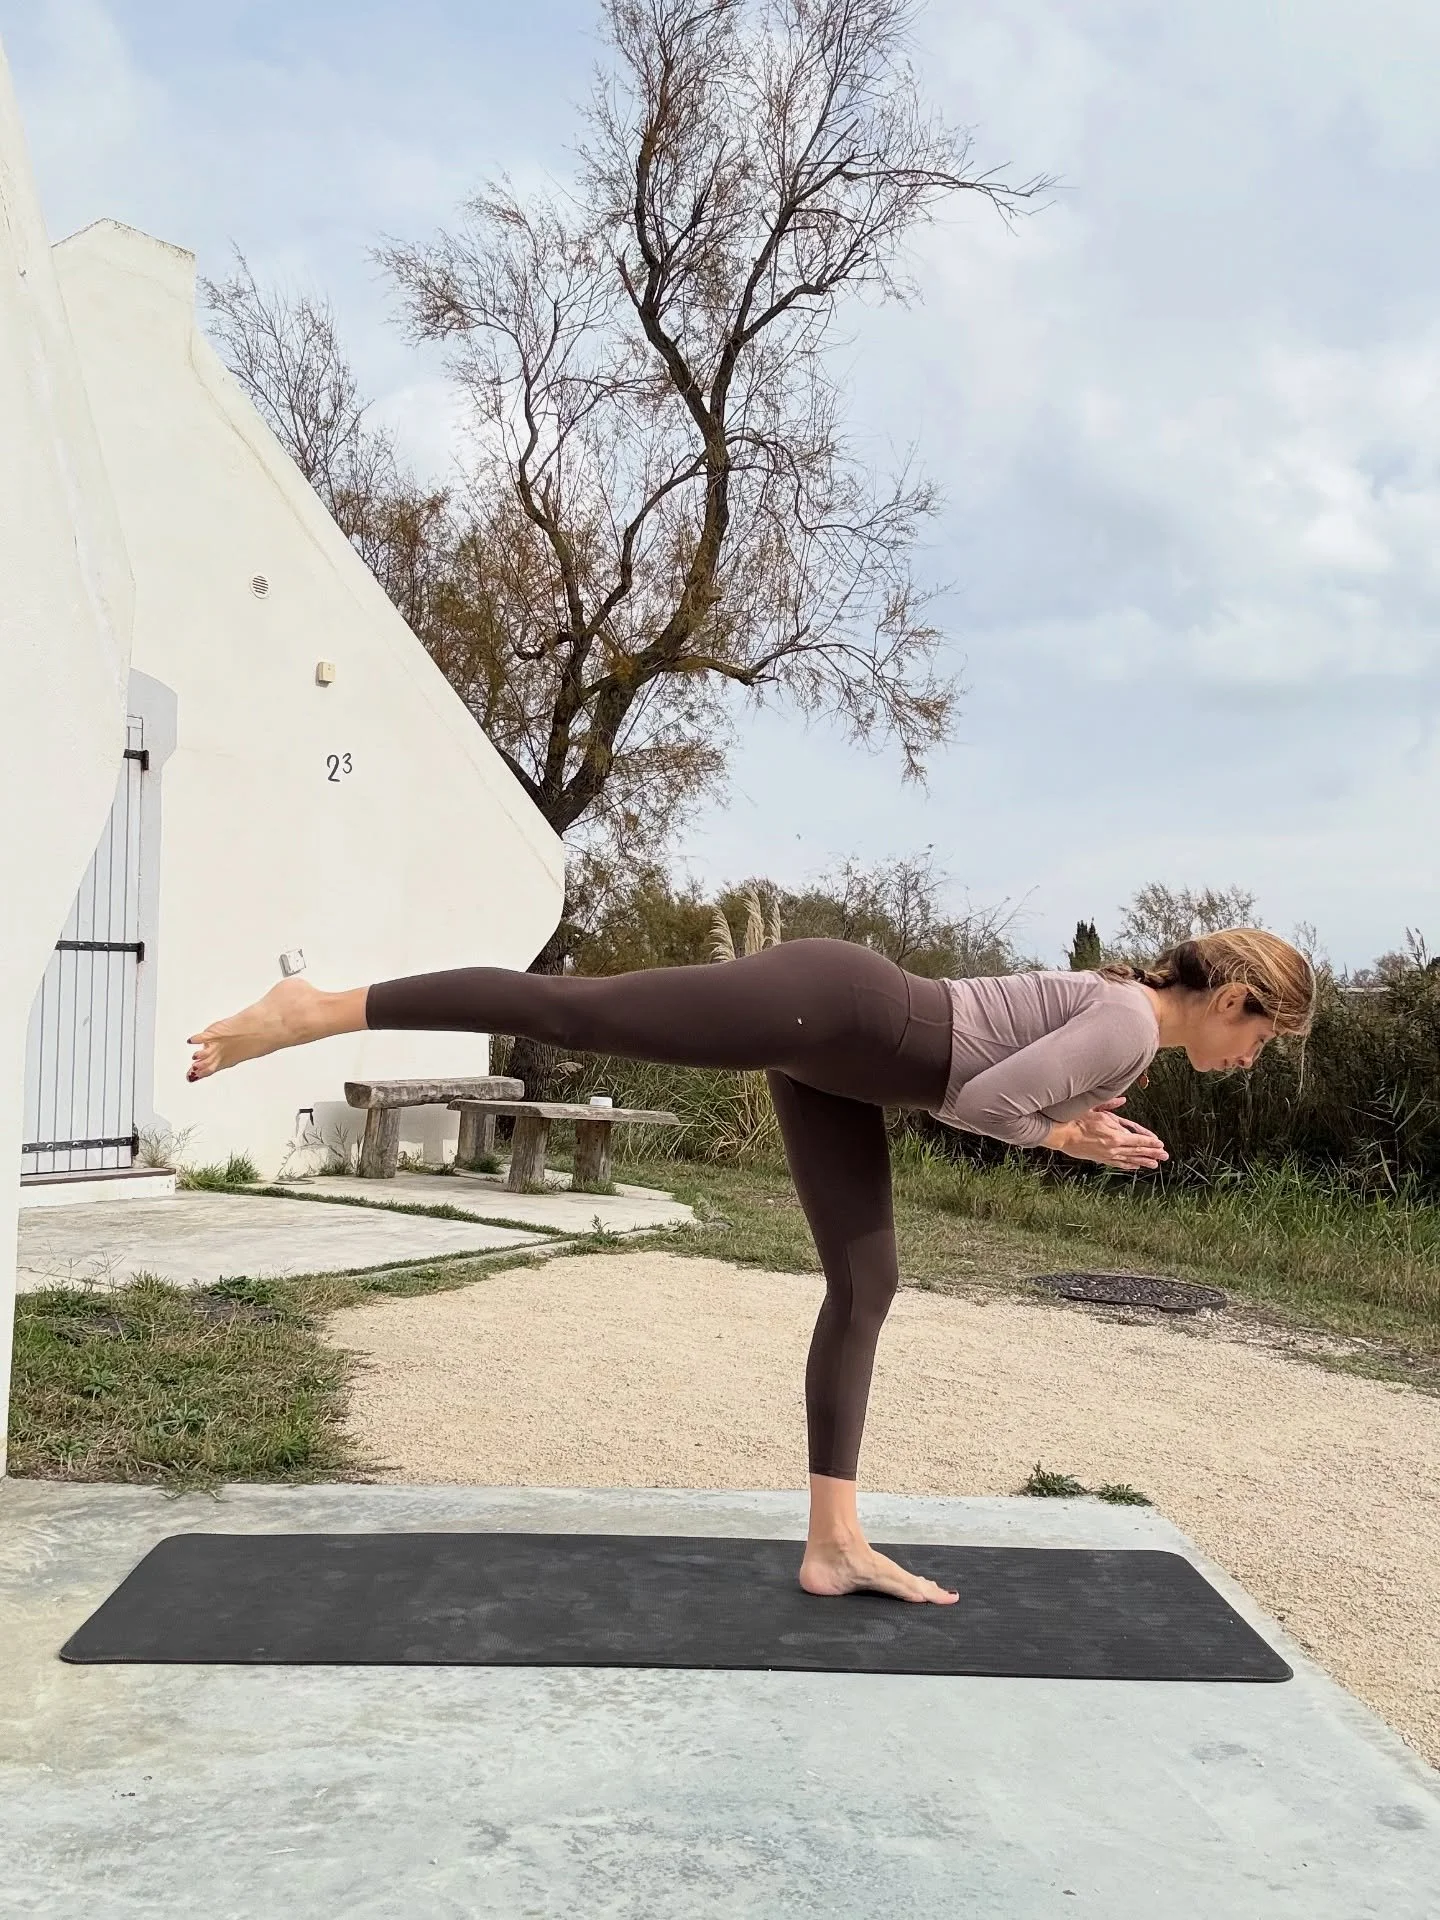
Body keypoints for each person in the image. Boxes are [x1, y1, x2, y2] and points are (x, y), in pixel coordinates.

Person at [187, 927, 1316, 1607]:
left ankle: (834, 1544)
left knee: (866, 1286)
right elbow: (978, 1099)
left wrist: (1060, 1124)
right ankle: (319, 1008)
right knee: (573, 1010)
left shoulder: (1123, 1025)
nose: (1249, 1058)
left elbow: (987, 1082)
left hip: (843, 1058)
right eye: (1261, 1039)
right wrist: (1066, 1136)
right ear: (1232, 999)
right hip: (832, 1009)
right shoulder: (1127, 1024)